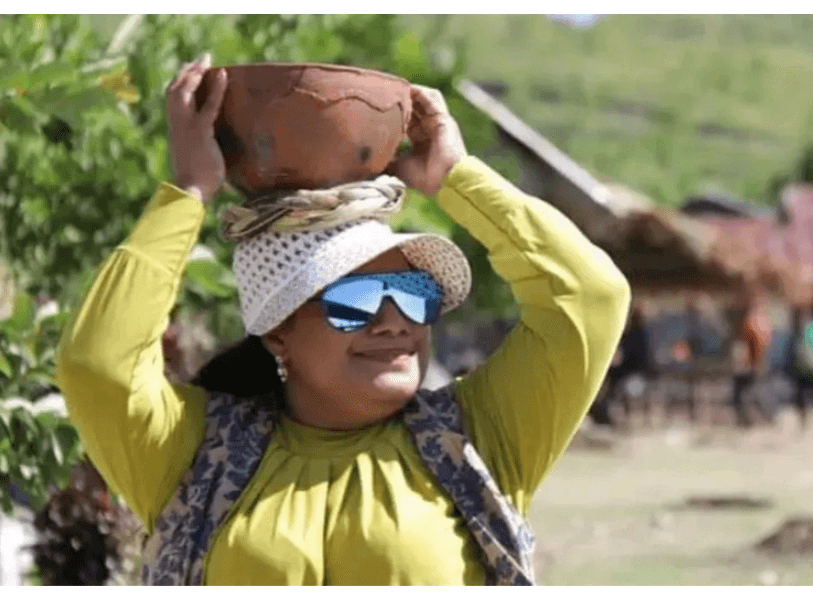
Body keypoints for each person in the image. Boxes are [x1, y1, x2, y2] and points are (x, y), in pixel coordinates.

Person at [54, 55, 631, 585]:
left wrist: (457, 177)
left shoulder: (479, 437)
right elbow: (98, 365)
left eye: (413, 294)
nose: (394, 322)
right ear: (278, 329)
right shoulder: (195, 454)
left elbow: (588, 298)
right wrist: (189, 192)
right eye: (355, 301)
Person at [589, 305, 654, 426]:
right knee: (606, 385)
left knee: (610, 385)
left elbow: (630, 359)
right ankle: (602, 414)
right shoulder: (630, 335)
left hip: (634, 375)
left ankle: (604, 415)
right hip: (625, 373)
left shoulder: (637, 336)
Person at [731, 291, 773, 428]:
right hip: (754, 363)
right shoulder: (763, 321)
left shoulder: (753, 321)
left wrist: (753, 362)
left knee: (745, 393)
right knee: (751, 392)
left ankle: (757, 418)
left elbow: (755, 344)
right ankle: (763, 417)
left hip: (750, 364)